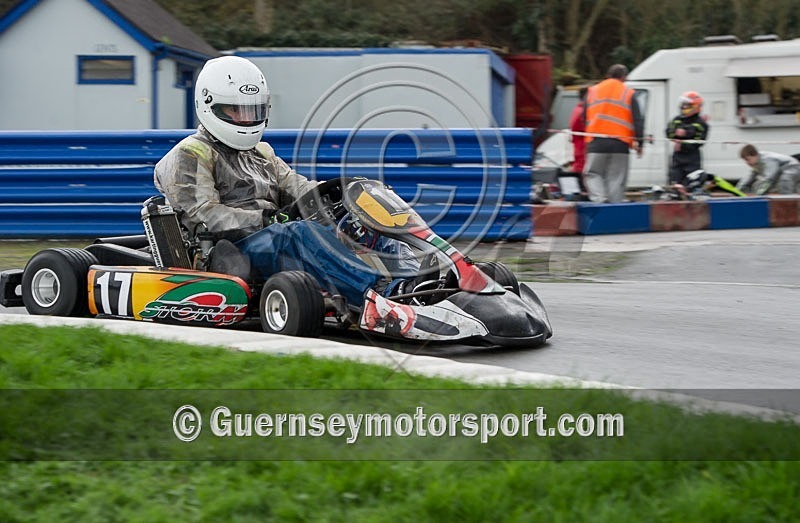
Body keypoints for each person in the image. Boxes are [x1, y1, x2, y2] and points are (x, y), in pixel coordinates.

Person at [153, 56, 418, 304]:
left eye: (252, 110)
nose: (247, 120)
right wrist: (266, 219)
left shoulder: (261, 153)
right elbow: (204, 215)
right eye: (236, 111)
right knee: (296, 233)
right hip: (230, 249)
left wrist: (349, 193)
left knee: (363, 221)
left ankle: (414, 284)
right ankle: (377, 293)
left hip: (274, 235)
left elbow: (297, 187)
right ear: (210, 105)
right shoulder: (189, 154)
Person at [583, 64, 644, 203]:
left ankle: (599, 200)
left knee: (593, 173)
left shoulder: (592, 91)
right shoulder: (628, 93)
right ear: (624, 77)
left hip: (596, 142)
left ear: (607, 75)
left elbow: (584, 116)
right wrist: (640, 142)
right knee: (616, 178)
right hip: (620, 143)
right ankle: (614, 207)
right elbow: (637, 119)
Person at [666, 91, 710, 191]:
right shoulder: (677, 119)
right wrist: (675, 134)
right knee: (674, 184)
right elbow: (669, 132)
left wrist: (685, 134)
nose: (684, 107)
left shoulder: (701, 123)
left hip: (692, 159)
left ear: (695, 106)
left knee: (692, 185)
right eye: (683, 105)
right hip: (677, 158)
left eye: (687, 105)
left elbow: (699, 141)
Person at [568, 86, 588, 174]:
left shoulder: (578, 109)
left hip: (579, 146)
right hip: (582, 146)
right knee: (580, 170)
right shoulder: (582, 111)